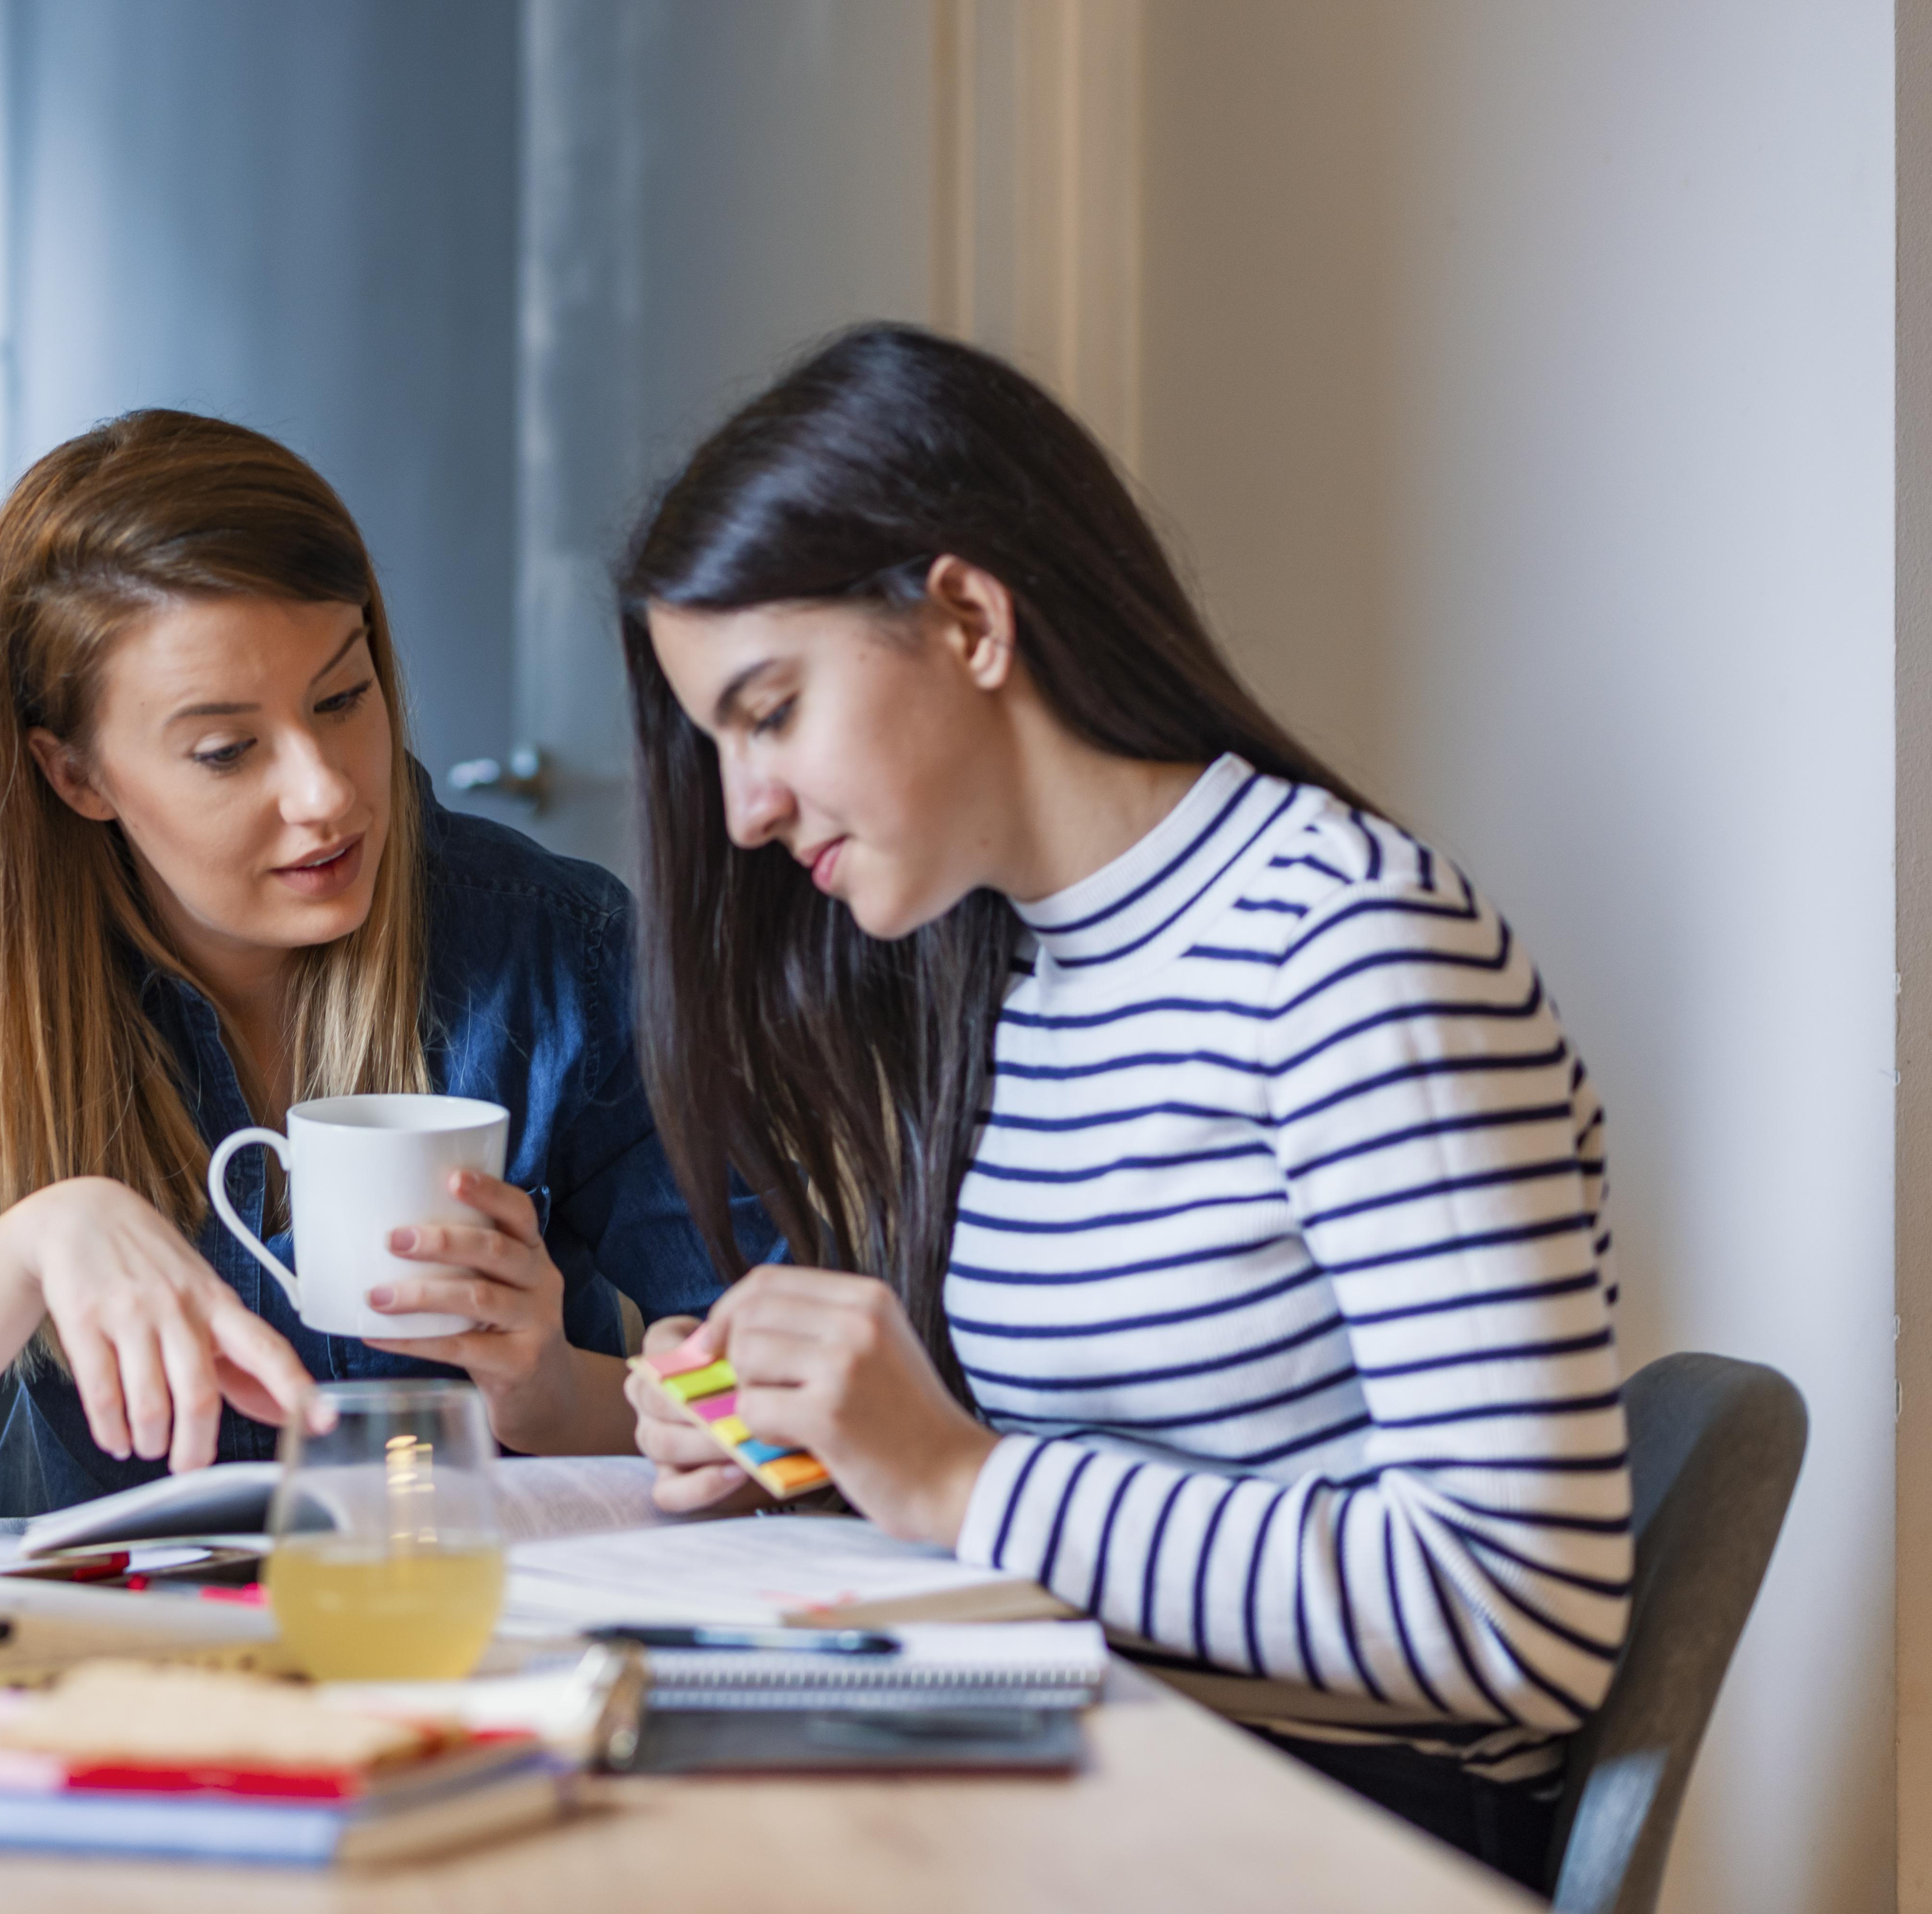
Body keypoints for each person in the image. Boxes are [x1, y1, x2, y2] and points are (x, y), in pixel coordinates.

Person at [616, 324, 1625, 1891]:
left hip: (1317, 1828)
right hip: (1089, 1760)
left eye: (767, 711)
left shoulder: (1344, 946)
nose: (743, 809)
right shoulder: (1019, 973)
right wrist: (803, 1444)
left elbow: (1518, 1617)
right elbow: (1117, 1474)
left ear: (964, 616)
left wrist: (954, 1477)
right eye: (717, 742)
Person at [0, 408, 758, 1520]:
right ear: (74, 776)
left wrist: (548, 1389)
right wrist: (35, 1242)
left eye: (342, 698)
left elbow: (770, 1425)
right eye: (226, 750)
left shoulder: (564, 954)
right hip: (127, 1664)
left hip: (484, 1639)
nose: (326, 793)